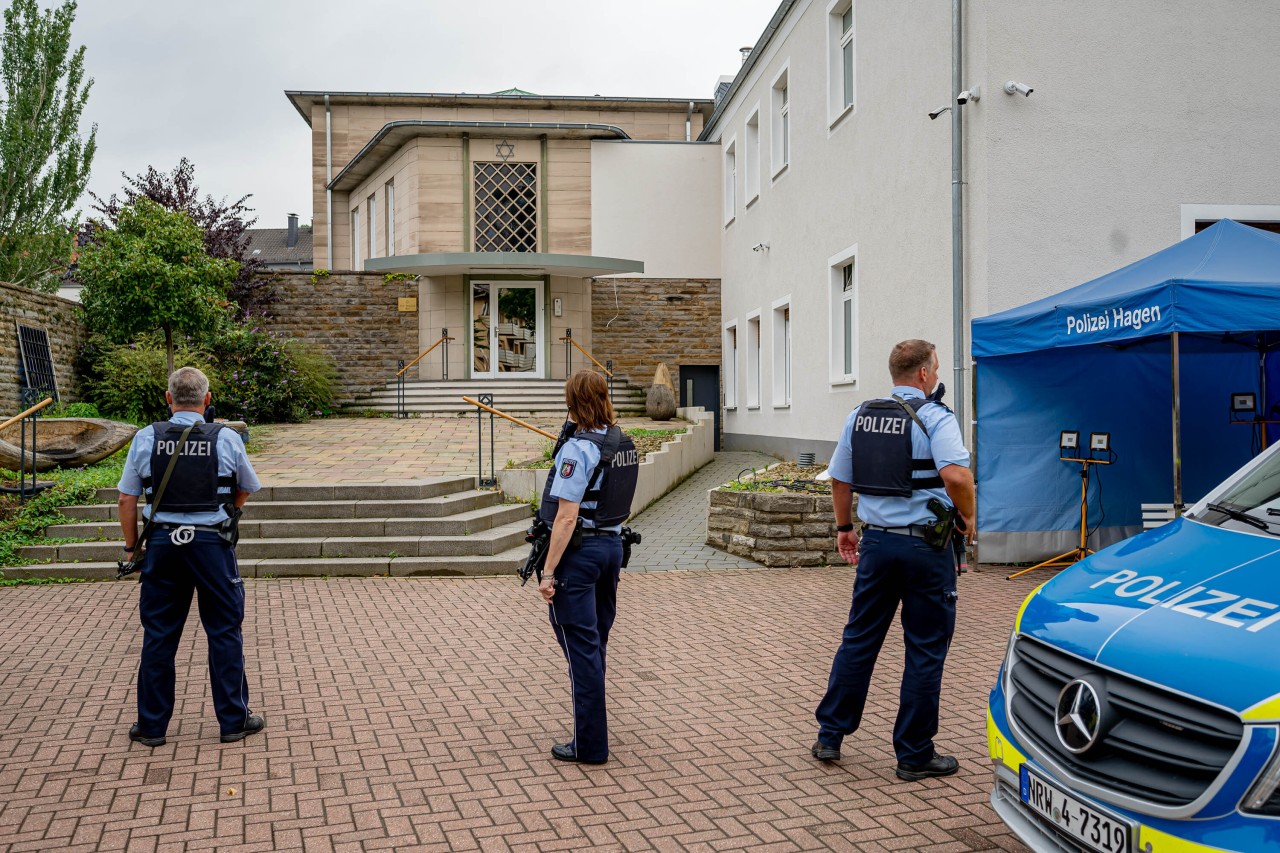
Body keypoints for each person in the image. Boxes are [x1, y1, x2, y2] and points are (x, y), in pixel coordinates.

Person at [811, 339, 975, 780]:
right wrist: (969, 514)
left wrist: (845, 529)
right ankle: (914, 754)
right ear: (922, 374)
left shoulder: (859, 417)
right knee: (924, 648)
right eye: (936, 368)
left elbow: (840, 480)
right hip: (926, 549)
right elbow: (956, 474)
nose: (937, 376)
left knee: (860, 637)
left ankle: (830, 734)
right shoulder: (936, 418)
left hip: (878, 546)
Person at [117, 367, 264, 747]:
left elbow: (126, 498)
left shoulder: (146, 437)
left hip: (163, 547)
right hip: (211, 547)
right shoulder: (227, 438)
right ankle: (234, 720)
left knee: (160, 636)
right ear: (207, 399)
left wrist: (133, 548)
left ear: (169, 399)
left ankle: (151, 726)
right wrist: (229, 510)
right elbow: (247, 486)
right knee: (224, 632)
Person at [536, 370, 639, 765]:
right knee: (594, 643)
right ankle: (590, 728)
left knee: (581, 648)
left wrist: (548, 573)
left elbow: (565, 517)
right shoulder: (621, 442)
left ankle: (590, 744)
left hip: (581, 555)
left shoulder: (578, 449)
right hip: (612, 548)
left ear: (573, 402)